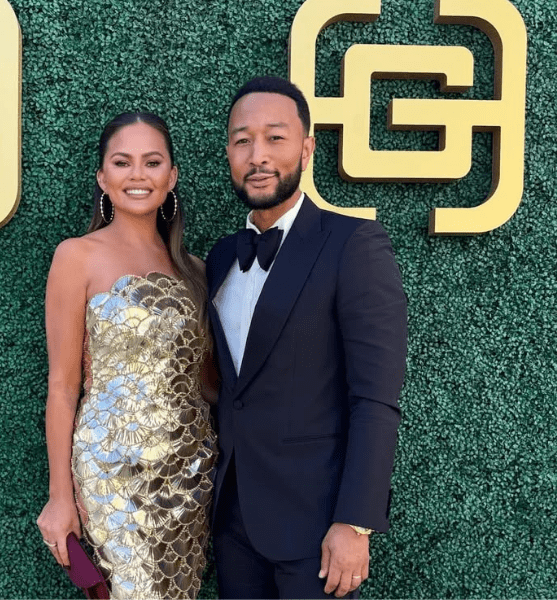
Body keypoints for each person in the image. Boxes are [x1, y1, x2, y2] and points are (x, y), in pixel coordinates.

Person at [206, 76, 408, 599]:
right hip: (232, 521)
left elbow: (375, 398)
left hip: (317, 529)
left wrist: (355, 522)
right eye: (242, 139)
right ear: (228, 151)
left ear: (307, 148)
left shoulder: (353, 244)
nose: (258, 155)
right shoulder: (222, 258)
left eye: (276, 137)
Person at [36, 112, 218, 600]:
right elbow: (62, 385)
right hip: (112, 469)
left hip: (190, 471)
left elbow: (209, 384)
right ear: (103, 177)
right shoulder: (77, 257)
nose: (138, 175)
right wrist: (59, 497)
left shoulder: (197, 271)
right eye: (122, 162)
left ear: (171, 176)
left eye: (152, 162)